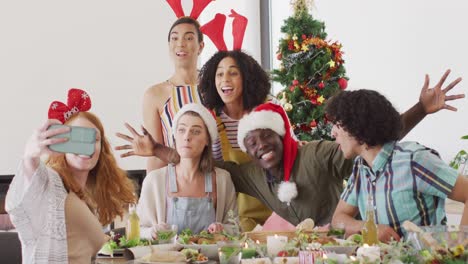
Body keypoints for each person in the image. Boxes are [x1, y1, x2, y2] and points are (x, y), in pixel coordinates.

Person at [127, 70, 463, 227]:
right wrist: (158, 149)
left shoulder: (320, 153)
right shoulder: (252, 175)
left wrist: (420, 109)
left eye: (266, 137)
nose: (260, 147)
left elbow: (373, 138)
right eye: (251, 143)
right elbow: (200, 161)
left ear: (283, 136)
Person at [5, 89, 136, 263]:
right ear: (61, 143)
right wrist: (30, 155)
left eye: (94, 139)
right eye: (76, 137)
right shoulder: (52, 184)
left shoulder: (86, 197)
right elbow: (27, 186)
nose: (86, 145)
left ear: (101, 147)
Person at [327, 89, 468, 242]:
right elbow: (338, 220)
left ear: (357, 125)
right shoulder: (360, 167)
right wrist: (369, 228)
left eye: (337, 124)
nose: (332, 133)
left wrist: (461, 248)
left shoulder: (414, 160)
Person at [116, 103, 238, 237]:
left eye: (196, 131)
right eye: (181, 130)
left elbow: (235, 228)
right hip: (166, 257)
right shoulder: (155, 180)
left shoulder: (222, 179)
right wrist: (153, 232)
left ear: (207, 140)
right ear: (175, 136)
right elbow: (137, 231)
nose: (187, 137)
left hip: (211, 257)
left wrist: (222, 229)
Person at [198, 50, 274, 231]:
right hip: (236, 219)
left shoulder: (269, 111)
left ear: (247, 78)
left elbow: (291, 152)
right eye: (219, 74)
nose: (225, 79)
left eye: (233, 73)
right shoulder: (212, 121)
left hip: (277, 213)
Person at [143, 16, 205, 172]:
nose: (181, 43)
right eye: (175, 38)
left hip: (217, 179)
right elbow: (155, 152)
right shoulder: (155, 94)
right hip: (175, 184)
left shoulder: (215, 87)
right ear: (169, 45)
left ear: (201, 46)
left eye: (189, 38)